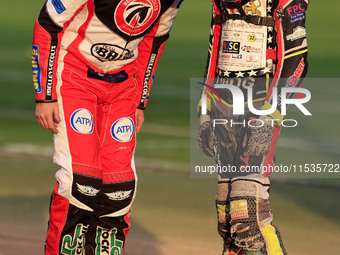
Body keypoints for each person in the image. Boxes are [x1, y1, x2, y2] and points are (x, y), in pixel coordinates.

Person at [31, 0, 182, 254]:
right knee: (80, 182)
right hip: (74, 75)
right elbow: (48, 22)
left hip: (124, 84)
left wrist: (140, 102)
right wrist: (45, 96)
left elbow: (154, 40)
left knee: (119, 188)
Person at [198, 0, 308, 254]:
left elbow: (297, 59)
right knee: (227, 216)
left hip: (262, 105)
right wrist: (205, 111)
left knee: (247, 213)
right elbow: (213, 48)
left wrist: (271, 114)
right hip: (223, 105)